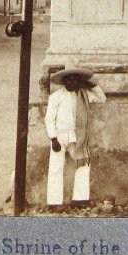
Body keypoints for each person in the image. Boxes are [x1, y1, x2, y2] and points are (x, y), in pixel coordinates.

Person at [44, 66, 106, 209]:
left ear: (79, 82)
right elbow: (49, 119)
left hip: (78, 135)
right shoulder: (56, 97)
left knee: (83, 165)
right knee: (56, 168)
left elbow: (102, 98)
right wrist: (53, 138)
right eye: (69, 79)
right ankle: (54, 202)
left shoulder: (84, 95)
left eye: (75, 79)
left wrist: (90, 84)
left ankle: (80, 199)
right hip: (60, 136)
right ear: (64, 81)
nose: (72, 82)